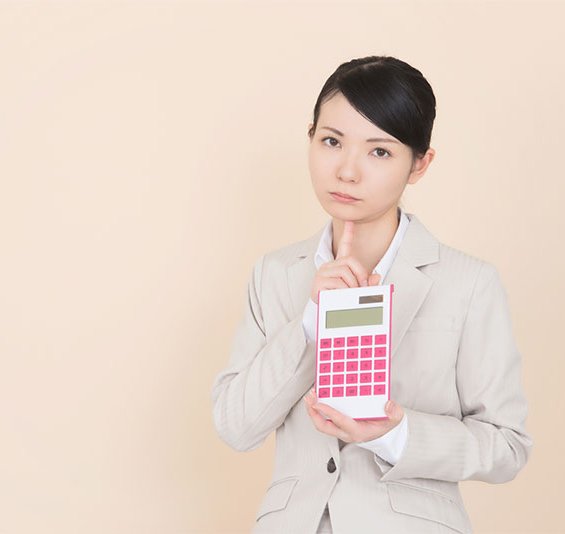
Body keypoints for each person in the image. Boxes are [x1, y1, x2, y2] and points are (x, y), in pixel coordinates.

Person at [209, 56, 533, 533]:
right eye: (332, 141)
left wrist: (397, 434)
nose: (347, 171)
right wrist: (310, 323)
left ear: (419, 164)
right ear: (310, 137)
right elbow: (236, 427)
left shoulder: (468, 283)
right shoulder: (274, 274)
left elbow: (508, 446)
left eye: (379, 151)